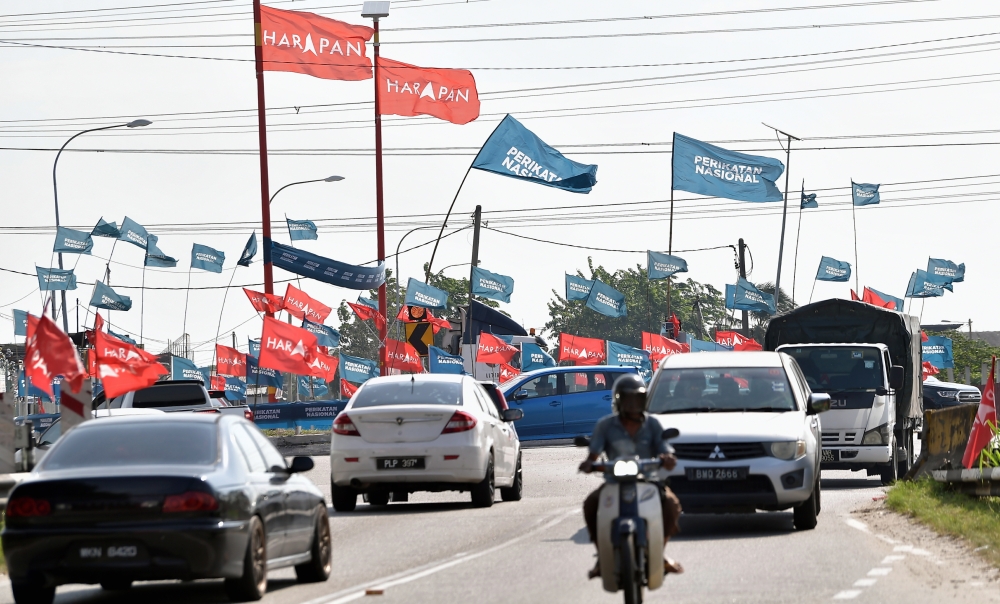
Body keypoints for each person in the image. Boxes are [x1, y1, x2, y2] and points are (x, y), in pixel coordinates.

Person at [579, 373, 683, 580]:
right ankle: (602, 557)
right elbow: (593, 454)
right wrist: (589, 463)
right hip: (613, 482)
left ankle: (659, 554)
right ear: (618, 400)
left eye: (638, 399)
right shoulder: (605, 425)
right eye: (628, 399)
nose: (633, 404)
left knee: (671, 505)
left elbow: (664, 448)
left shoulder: (653, 424)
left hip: (649, 481)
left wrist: (668, 457)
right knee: (590, 505)